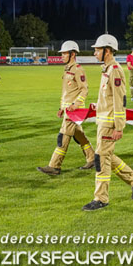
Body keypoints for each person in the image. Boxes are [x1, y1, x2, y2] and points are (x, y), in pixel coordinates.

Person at [83, 34, 133, 212]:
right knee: (105, 156)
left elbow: (120, 101)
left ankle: (101, 198)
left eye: (97, 49)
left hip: (110, 124)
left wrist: (119, 127)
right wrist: (98, 105)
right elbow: (109, 97)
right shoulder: (107, 69)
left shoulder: (115, 70)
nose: (94, 52)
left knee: (101, 159)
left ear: (107, 51)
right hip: (103, 122)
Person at [37, 41, 95, 175]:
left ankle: (54, 166)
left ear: (72, 54)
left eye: (64, 53)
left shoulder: (78, 69)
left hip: (74, 111)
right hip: (68, 110)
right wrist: (62, 108)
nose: (62, 56)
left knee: (62, 137)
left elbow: (84, 90)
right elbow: (67, 92)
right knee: (79, 136)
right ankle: (92, 158)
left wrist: (76, 104)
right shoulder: (67, 69)